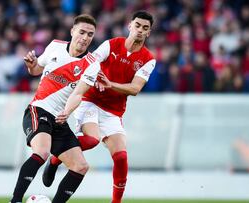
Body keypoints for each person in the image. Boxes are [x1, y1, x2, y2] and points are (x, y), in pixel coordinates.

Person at [43, 11, 156, 203]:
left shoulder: (148, 59)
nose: (140, 30)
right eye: (137, 25)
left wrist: (110, 84)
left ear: (149, 33)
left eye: (145, 28)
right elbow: (90, 62)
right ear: (130, 26)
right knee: (92, 140)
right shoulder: (111, 44)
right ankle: (55, 159)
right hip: (89, 100)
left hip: (113, 111)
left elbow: (135, 88)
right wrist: (91, 78)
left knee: (121, 157)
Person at [9, 14, 100, 203]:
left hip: (60, 117)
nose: (85, 38)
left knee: (81, 166)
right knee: (42, 152)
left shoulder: (92, 64)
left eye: (90, 34)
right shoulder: (55, 46)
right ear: (72, 31)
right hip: (38, 109)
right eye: (82, 32)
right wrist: (31, 66)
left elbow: (78, 93)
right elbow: (36, 70)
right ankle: (15, 200)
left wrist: (66, 111)